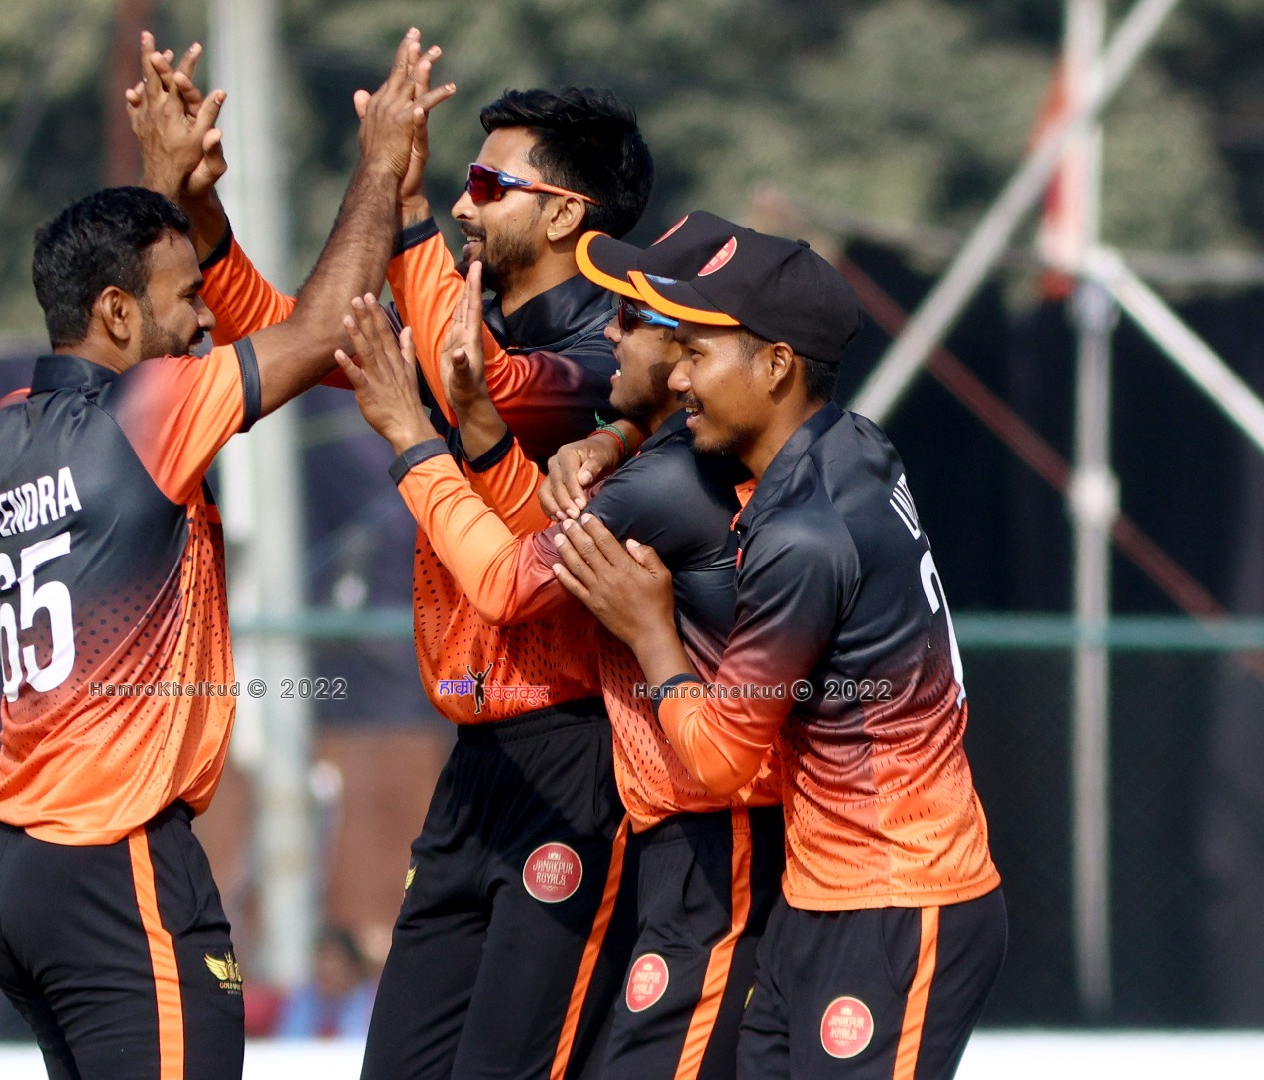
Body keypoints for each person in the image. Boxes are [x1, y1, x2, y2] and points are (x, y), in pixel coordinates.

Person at [137, 50, 657, 1080]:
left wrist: (404, 200)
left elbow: (485, 381)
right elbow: (288, 336)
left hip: (580, 758)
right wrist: (197, 208)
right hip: (475, 763)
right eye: (460, 184)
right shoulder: (473, 315)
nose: (465, 206)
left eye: (488, 184)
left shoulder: (616, 344)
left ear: (566, 213)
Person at [0, 31, 447, 1080]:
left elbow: (128, 288)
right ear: (115, 313)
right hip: (118, 869)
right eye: (187, 302)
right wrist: (379, 164)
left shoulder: (2, 432)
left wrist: (162, 181)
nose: (202, 325)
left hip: (23, 878)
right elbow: (322, 331)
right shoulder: (150, 412)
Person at [548, 214, 1006, 1080]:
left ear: (775, 365)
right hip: (820, 893)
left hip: (896, 899)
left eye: (696, 354)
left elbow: (720, 761)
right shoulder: (851, 443)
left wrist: (648, 630)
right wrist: (614, 435)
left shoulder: (801, 535)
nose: (676, 376)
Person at [338, 221, 789, 1077]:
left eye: (635, 317)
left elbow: (506, 584)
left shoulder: (661, 464)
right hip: (577, 793)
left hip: (691, 821)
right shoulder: (657, 451)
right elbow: (539, 546)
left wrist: (412, 439)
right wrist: (484, 424)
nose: (611, 331)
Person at [274, 928, 378, 1040]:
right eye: (322, 960)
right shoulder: (303, 998)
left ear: (355, 967)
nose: (326, 969)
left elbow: (358, 1041)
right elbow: (289, 1040)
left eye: (336, 961)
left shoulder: (372, 1000)